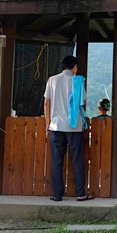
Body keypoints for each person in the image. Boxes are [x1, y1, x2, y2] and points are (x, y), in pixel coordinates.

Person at [43, 56, 92, 202]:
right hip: (74, 127)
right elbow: (82, 102)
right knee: (77, 160)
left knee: (57, 161)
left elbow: (46, 103)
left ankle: (57, 194)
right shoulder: (78, 81)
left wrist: (48, 122)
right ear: (74, 67)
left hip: (56, 126)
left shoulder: (52, 80)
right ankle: (80, 193)